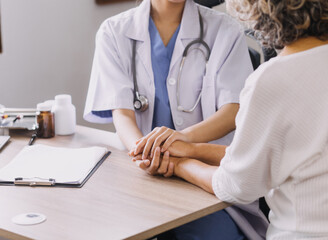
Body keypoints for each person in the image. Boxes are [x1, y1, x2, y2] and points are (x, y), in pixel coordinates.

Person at [135, 0, 328, 239]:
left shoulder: (272, 80)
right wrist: (193, 150)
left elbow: (235, 186)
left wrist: (177, 164)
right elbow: (274, 157)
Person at [84, 0, 268, 239]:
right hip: (143, 177)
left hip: (206, 181)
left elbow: (234, 109)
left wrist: (183, 139)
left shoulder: (225, 29)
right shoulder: (114, 31)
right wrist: (144, 153)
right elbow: (122, 112)